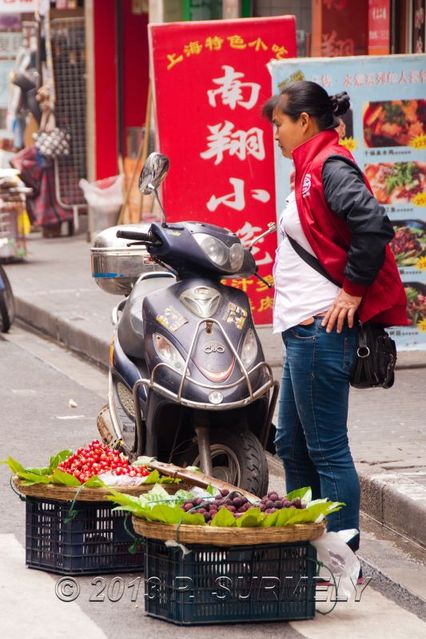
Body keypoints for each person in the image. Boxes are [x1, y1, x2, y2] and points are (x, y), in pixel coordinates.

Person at [262, 81, 408, 555]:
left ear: (304, 122)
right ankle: (309, 550)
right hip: (302, 329)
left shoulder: (328, 164)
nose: (276, 135)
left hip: (321, 330)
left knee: (325, 449)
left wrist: (351, 292)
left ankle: (342, 564)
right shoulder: (308, 168)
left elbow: (373, 225)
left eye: (279, 124)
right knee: (290, 444)